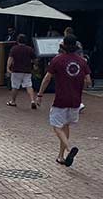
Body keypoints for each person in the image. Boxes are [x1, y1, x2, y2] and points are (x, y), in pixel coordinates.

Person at [35, 35, 91, 167]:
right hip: (76, 100)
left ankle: (68, 148)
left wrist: (40, 94)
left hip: (61, 99)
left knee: (56, 126)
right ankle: (60, 156)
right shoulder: (82, 61)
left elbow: (47, 78)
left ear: (63, 46)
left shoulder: (57, 60)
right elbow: (88, 82)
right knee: (66, 126)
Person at [6, 34, 38, 108]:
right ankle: (32, 100)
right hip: (27, 70)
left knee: (15, 86)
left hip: (16, 70)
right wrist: (35, 65)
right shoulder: (29, 49)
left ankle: (13, 101)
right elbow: (35, 60)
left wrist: (8, 68)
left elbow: (10, 59)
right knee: (29, 86)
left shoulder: (14, 49)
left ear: (18, 41)